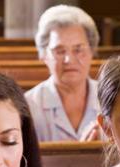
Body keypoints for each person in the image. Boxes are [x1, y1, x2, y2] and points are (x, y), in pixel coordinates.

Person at [25, 5, 101, 142]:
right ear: (43, 55)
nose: (69, 60)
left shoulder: (112, 100)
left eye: (78, 50)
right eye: (59, 51)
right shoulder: (28, 106)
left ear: (91, 52)